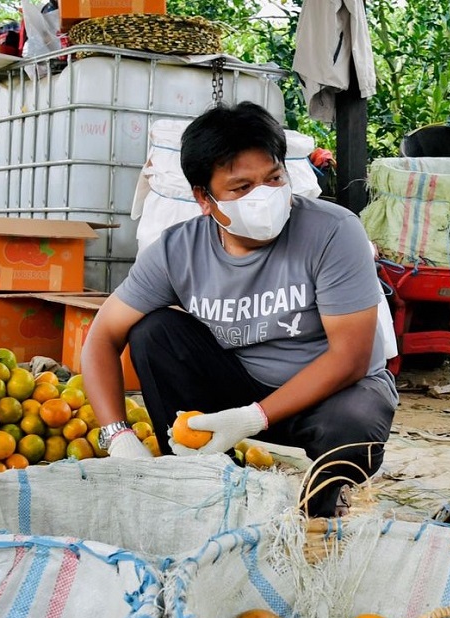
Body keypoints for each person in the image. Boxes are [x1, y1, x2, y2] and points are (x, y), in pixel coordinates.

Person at [81, 101, 398, 517]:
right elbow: (101, 339)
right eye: (241, 188)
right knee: (154, 332)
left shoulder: (334, 232)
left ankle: (320, 508)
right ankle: (201, 488)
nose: (262, 197)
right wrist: (118, 435)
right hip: (239, 386)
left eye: (273, 178)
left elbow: (351, 357)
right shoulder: (178, 251)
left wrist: (253, 419)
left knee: (356, 420)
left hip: (329, 393)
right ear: (204, 198)